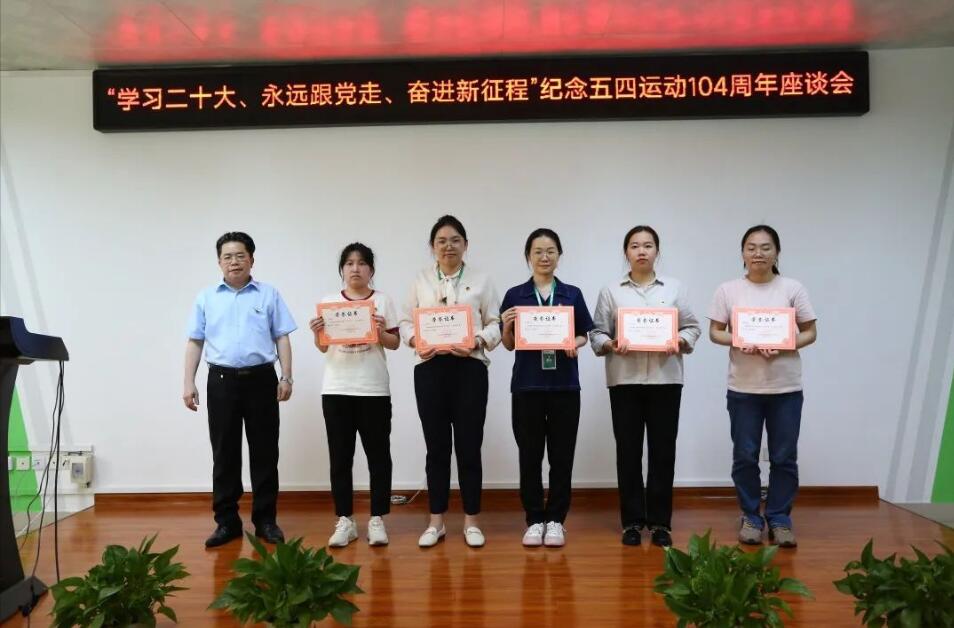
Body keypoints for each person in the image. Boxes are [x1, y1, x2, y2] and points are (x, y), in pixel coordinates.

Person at [183, 232, 296, 548]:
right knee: (224, 454)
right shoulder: (206, 298)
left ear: (251, 259)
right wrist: (188, 382)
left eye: (240, 255)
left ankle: (266, 521)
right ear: (219, 262)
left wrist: (286, 377)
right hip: (221, 381)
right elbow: (195, 341)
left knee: (265, 452)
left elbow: (282, 337)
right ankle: (227, 522)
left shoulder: (268, 294)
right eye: (228, 256)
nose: (234, 262)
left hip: (262, 380)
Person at [590, 226, 700, 547]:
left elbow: (692, 327)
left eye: (648, 245)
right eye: (635, 245)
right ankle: (632, 522)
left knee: (663, 452)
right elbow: (597, 333)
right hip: (624, 381)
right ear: (626, 252)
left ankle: (661, 523)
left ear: (657, 251)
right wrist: (610, 344)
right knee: (628, 453)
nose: (642, 251)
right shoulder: (611, 291)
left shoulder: (675, 288)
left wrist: (679, 340)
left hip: (666, 380)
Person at [708, 224, 817, 548]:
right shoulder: (728, 290)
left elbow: (810, 332)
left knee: (784, 457)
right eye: (751, 247)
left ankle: (780, 518)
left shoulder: (792, 288)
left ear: (777, 253)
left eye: (766, 247)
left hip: (786, 388)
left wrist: (784, 344)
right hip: (743, 388)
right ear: (742, 253)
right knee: (745, 456)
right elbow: (715, 332)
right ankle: (751, 517)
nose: (758, 253)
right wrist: (741, 340)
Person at [399, 215, 501, 548]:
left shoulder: (482, 280)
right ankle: (436, 522)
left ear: (465, 245)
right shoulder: (420, 280)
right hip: (430, 369)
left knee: (469, 446)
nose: (448, 246)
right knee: (437, 448)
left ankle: (472, 521)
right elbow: (405, 322)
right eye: (441, 241)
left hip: (470, 368)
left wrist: (477, 341)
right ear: (432, 247)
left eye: (455, 240)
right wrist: (416, 340)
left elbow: (496, 323)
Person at [500, 228, 594, 548]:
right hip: (526, 386)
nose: (544, 257)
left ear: (559, 255)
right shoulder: (515, 295)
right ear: (528, 256)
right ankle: (533, 519)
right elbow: (509, 344)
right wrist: (507, 326)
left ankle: (555, 520)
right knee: (529, 456)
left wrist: (573, 343)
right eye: (538, 251)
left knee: (561, 456)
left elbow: (583, 335)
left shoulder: (572, 294)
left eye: (550, 251)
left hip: (564, 386)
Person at [309, 243, 400, 548]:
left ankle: (377, 519)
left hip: (373, 388)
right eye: (349, 263)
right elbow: (323, 346)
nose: (355, 268)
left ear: (371, 269)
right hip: (336, 388)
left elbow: (394, 343)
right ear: (342, 269)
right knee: (340, 458)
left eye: (362, 263)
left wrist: (380, 331)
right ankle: (345, 520)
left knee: (379, 457)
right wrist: (317, 333)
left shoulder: (382, 301)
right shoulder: (329, 302)